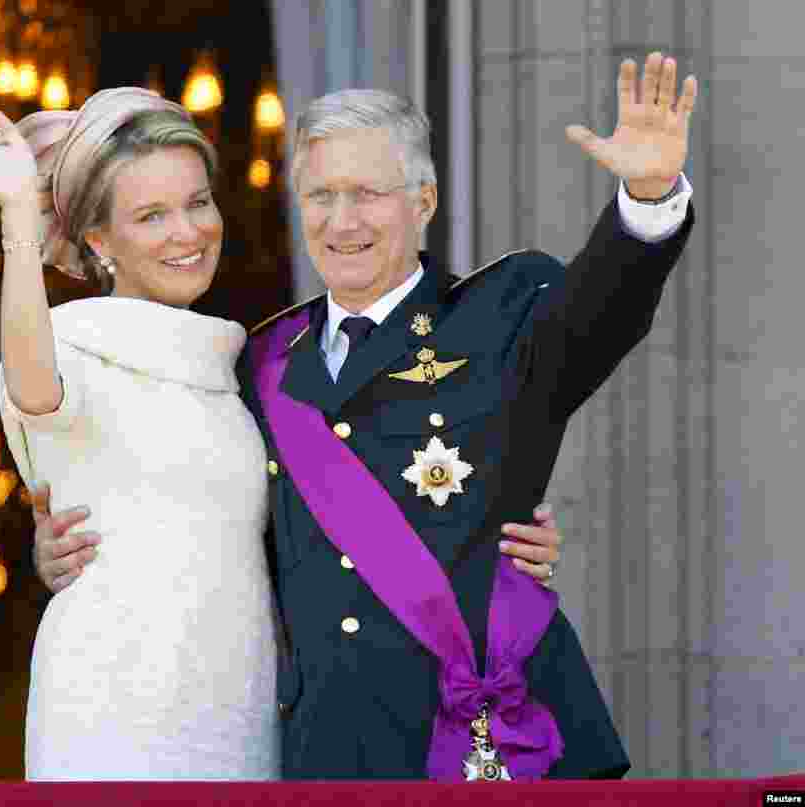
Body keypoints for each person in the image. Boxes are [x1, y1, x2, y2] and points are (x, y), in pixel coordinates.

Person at [34, 51, 696, 781]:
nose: (341, 221)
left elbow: (600, 313)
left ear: (424, 201)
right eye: (320, 196)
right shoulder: (261, 362)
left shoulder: (504, 312)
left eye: (367, 193)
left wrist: (648, 195)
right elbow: (200, 501)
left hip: (486, 742)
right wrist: (73, 537)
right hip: (335, 751)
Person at [0, 86, 561, 781]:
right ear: (99, 239)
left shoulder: (240, 364)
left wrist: (493, 523)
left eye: (197, 203)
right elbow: (33, 385)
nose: (187, 232)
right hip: (116, 704)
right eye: (151, 215)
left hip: (235, 709)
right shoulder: (72, 345)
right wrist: (16, 218)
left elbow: (321, 508)